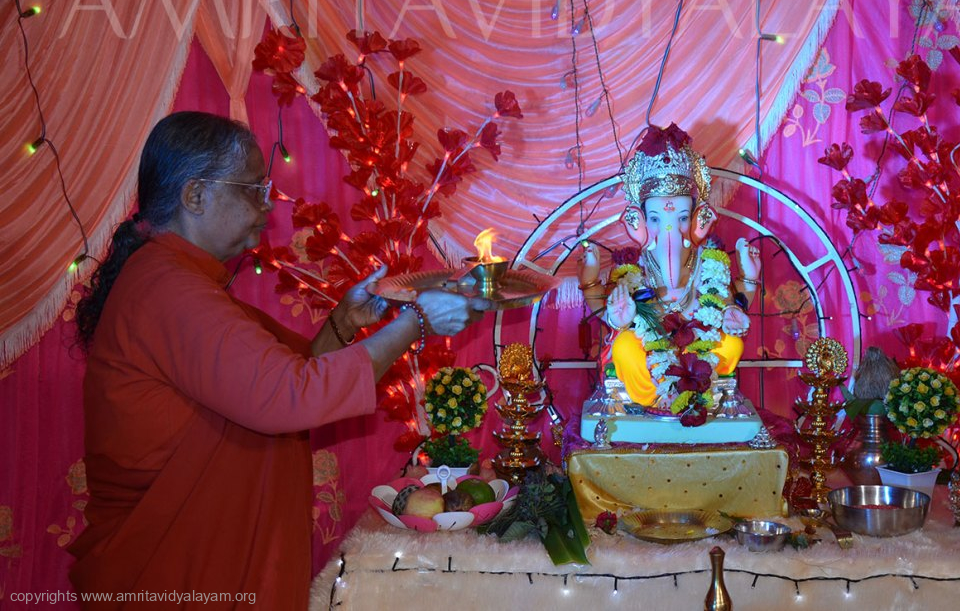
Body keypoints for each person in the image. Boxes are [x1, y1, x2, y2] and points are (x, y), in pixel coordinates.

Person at [70, 111, 485, 609]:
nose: (266, 206)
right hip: (177, 570)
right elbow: (292, 396)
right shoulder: (169, 289)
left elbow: (289, 373)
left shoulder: (176, 280)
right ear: (195, 196)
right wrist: (415, 323)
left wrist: (345, 321)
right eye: (251, 189)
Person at [577, 123, 762, 411]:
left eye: (682, 218)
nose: (669, 230)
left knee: (732, 346)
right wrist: (611, 307)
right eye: (655, 220)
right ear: (637, 223)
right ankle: (653, 403)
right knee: (625, 346)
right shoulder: (633, 269)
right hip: (651, 352)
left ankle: (698, 397)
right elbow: (612, 313)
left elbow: (727, 307)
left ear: (699, 219)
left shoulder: (707, 263)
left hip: (699, 349)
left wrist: (747, 280)